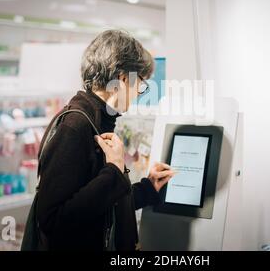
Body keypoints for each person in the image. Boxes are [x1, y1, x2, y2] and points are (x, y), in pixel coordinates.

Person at [36, 30, 175, 251]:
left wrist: (148, 188)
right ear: (122, 78)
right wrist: (113, 170)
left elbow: (101, 204)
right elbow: (53, 220)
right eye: (140, 83)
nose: (140, 92)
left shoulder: (98, 121)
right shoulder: (75, 126)